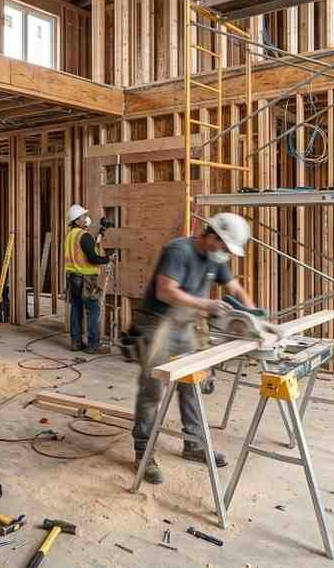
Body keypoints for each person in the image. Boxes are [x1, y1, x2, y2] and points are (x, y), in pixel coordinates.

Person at [131, 212, 255, 484]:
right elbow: (166, 291)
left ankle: (194, 444)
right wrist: (206, 305)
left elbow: (235, 289)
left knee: (192, 384)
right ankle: (143, 452)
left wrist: (253, 316)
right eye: (223, 246)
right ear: (211, 235)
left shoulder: (216, 257)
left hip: (184, 324)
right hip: (157, 324)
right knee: (153, 390)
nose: (224, 253)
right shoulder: (179, 250)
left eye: (227, 249)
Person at [63, 204, 112, 354]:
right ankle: (93, 345)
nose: (86, 218)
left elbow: (88, 248)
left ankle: (76, 343)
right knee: (94, 310)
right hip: (86, 280)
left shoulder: (71, 235)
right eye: (83, 216)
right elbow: (93, 258)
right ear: (77, 221)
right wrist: (108, 259)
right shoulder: (84, 236)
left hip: (73, 278)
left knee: (76, 309)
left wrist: (100, 233)